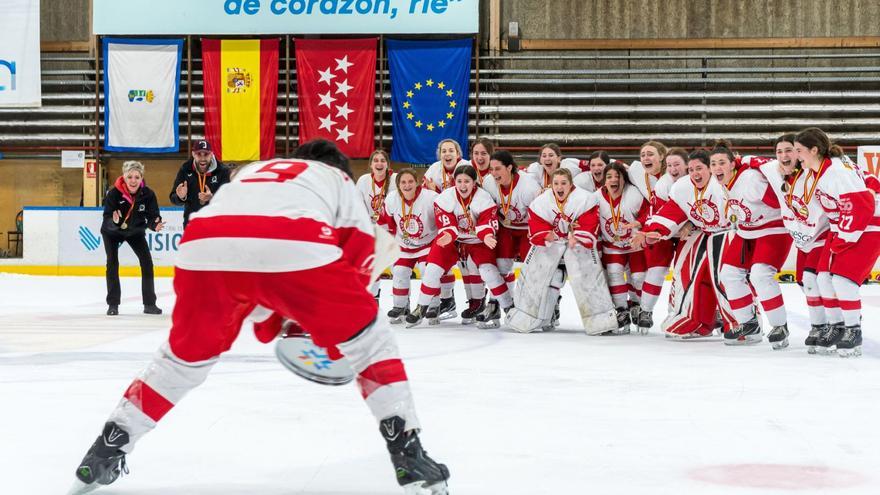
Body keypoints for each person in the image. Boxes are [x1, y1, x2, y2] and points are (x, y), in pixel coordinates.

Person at [70, 140, 450, 495]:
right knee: (372, 340)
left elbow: (257, 285)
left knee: (180, 362)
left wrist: (285, 316)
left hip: (201, 246)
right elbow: (354, 259)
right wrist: (319, 326)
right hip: (294, 245)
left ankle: (107, 447)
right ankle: (408, 453)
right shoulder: (337, 180)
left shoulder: (255, 170)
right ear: (340, 171)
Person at [793, 127, 880, 357]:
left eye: (799, 150)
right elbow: (870, 179)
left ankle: (853, 330)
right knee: (822, 278)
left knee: (843, 281)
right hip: (842, 226)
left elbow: (861, 205)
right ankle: (837, 326)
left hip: (867, 226)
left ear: (814, 150)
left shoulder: (836, 172)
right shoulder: (818, 170)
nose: (796, 155)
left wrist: (845, 238)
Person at [632, 150, 736, 339]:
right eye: (691, 169)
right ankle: (700, 322)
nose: (695, 173)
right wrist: (654, 230)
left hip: (729, 234)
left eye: (700, 168)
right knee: (692, 278)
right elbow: (671, 211)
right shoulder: (682, 187)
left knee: (727, 279)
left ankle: (740, 322)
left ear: (710, 169)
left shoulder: (722, 184)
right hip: (703, 235)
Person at [749, 134, 832, 352]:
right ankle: (833, 318)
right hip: (802, 240)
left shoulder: (816, 171)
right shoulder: (772, 169)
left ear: (799, 152)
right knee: (806, 283)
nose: (783, 156)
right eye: (779, 152)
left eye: (789, 150)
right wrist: (737, 160)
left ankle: (821, 326)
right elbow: (748, 160)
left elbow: (856, 174)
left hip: (823, 235)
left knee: (812, 280)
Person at [508, 167, 616, 334]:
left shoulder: (585, 198)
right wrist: (548, 234)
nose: (559, 186)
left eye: (563, 183)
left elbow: (588, 223)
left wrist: (577, 235)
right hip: (553, 246)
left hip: (578, 245)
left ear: (571, 184)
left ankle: (601, 321)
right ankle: (537, 316)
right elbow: (537, 225)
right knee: (550, 278)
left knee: (588, 279)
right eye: (556, 183)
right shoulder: (541, 202)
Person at [406, 165, 512, 329]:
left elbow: (486, 221)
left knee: (488, 272)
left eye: (467, 181)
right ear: (454, 181)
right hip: (451, 239)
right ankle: (421, 307)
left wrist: (487, 235)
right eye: (459, 181)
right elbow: (446, 222)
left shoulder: (483, 198)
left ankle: (508, 308)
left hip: (477, 240)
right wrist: (449, 233)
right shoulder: (445, 198)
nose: (463, 185)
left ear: (474, 182)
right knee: (432, 268)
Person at [710, 140, 793, 348]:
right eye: (713, 164)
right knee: (728, 274)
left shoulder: (750, 180)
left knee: (760, 275)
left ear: (732, 164)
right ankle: (749, 323)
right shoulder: (721, 184)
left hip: (773, 229)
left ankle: (779, 325)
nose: (717, 168)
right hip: (747, 231)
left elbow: (781, 200)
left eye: (722, 163)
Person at [481, 150, 542, 323]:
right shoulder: (488, 182)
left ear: (509, 168)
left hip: (527, 229)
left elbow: (540, 214)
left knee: (531, 270)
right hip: (506, 227)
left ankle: (534, 308)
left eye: (498, 169)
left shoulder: (529, 186)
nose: (493, 173)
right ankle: (495, 304)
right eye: (491, 169)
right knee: (501, 266)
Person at [101, 161, 165, 316]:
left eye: (137, 177)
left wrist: (154, 224)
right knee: (112, 263)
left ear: (141, 177)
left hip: (135, 232)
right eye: (130, 177)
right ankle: (113, 304)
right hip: (112, 233)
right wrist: (114, 222)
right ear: (124, 177)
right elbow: (107, 217)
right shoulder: (114, 193)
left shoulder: (148, 194)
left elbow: (153, 216)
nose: (133, 180)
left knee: (147, 263)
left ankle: (149, 304)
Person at [636, 147, 688, 333]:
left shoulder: (694, 180)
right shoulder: (662, 185)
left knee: (685, 273)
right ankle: (645, 311)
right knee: (656, 271)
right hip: (663, 232)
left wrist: (690, 225)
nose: (673, 169)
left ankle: (677, 312)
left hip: (687, 232)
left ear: (687, 165)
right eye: (670, 165)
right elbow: (662, 214)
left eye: (677, 165)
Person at [377, 168, 439, 323]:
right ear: (398, 185)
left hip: (427, 244)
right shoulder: (392, 198)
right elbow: (386, 223)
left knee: (428, 270)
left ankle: (433, 306)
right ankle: (401, 306)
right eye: (403, 182)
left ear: (417, 182)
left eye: (410, 181)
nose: (407, 185)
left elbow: (443, 218)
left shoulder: (430, 197)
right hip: (403, 245)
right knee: (399, 271)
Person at [596, 162, 649, 333]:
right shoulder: (596, 197)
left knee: (639, 277)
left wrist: (640, 223)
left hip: (634, 244)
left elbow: (648, 212)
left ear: (624, 180)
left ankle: (637, 305)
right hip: (611, 245)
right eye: (609, 176)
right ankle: (621, 311)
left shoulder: (633, 193)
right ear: (604, 180)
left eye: (617, 176)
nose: (613, 180)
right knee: (614, 275)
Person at [356, 149, 398, 300]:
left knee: (398, 270)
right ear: (371, 165)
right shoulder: (363, 180)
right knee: (373, 268)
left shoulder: (395, 179)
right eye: (376, 160)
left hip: (393, 233)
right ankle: (374, 300)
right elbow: (358, 206)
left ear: (387, 164)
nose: (379, 163)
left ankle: (402, 304)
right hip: (372, 232)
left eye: (382, 160)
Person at [170, 140, 231, 228]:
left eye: (206, 154)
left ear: (211, 154)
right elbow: (173, 198)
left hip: (216, 224)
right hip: (192, 224)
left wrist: (213, 197)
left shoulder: (223, 171)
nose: (202, 159)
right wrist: (181, 197)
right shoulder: (185, 169)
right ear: (193, 154)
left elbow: (229, 199)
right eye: (199, 154)